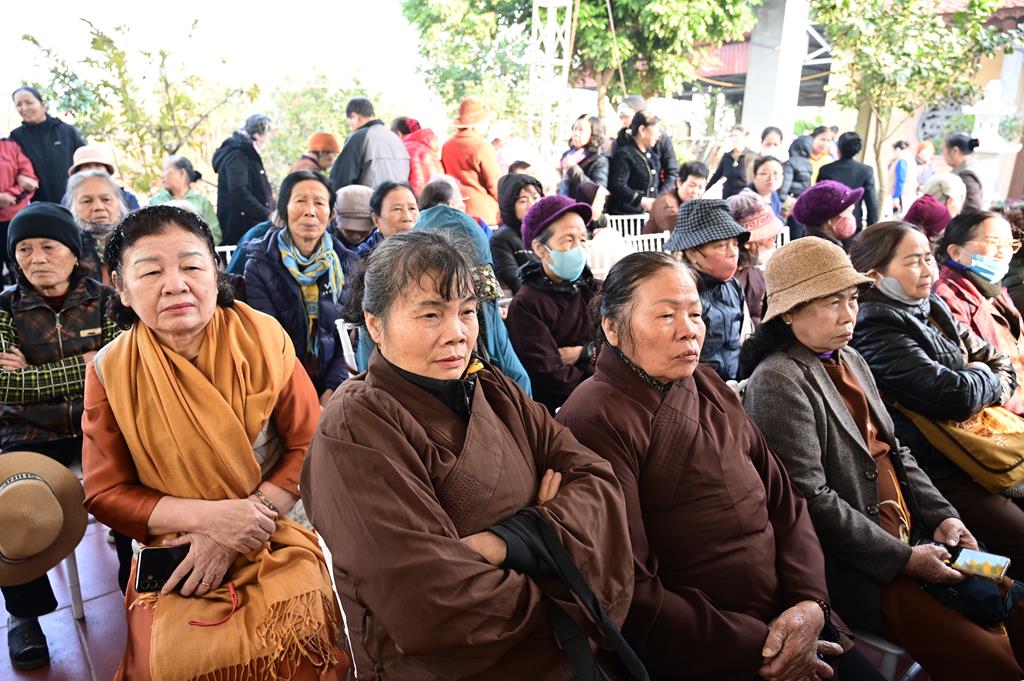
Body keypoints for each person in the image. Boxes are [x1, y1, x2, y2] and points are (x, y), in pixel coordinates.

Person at [302, 229, 633, 679]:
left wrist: (508, 541)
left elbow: (597, 484)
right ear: (375, 325)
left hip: (558, 652)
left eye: (467, 312)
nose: (457, 334)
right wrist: (560, 575)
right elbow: (427, 600)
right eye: (431, 315)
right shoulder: (354, 427)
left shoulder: (492, 388)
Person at [557, 251, 882, 681]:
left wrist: (809, 603)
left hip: (792, 618)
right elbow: (627, 582)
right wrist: (760, 645)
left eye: (695, 313)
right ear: (613, 329)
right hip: (711, 646)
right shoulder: (593, 415)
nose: (689, 329)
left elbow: (785, 501)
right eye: (666, 315)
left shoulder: (706, 383)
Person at [82, 204, 346, 680]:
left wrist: (248, 521)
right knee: (175, 658)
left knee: (300, 632)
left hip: (277, 522)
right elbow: (105, 493)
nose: (175, 284)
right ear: (119, 287)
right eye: (150, 272)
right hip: (176, 539)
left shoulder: (263, 338)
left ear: (215, 272)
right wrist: (214, 521)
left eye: (191, 266)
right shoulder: (110, 370)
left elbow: (311, 445)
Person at [742, 236, 1024, 681]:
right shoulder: (778, 379)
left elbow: (897, 450)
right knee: (987, 658)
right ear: (790, 312)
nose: (849, 314)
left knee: (1006, 593)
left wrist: (944, 516)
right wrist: (903, 558)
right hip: (862, 564)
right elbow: (812, 499)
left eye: (851, 300)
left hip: (914, 530)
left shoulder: (851, 358)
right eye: (832, 303)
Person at [848, 221, 1024, 575]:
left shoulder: (930, 304)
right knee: (1013, 544)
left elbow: (1000, 361)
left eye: (929, 258)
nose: (929, 270)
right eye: (914, 261)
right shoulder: (875, 327)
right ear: (875, 275)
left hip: (977, 451)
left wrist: (981, 376)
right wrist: (983, 376)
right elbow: (953, 396)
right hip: (939, 469)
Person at [0, 203, 119, 671]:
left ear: (73, 253)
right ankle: (24, 615)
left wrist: (37, 373)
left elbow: (118, 368)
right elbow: (3, 385)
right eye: (24, 249)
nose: (36, 258)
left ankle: (140, 584)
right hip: (29, 431)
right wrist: (88, 364)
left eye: (48, 246)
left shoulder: (106, 299)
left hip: (101, 423)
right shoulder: (4, 307)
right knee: (10, 505)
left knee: (141, 479)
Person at [243, 170, 354, 404]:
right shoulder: (260, 264)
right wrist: (306, 402)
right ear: (283, 209)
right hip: (281, 384)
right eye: (300, 201)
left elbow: (346, 338)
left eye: (319, 203)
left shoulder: (346, 264)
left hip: (333, 384)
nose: (310, 211)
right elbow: (268, 341)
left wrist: (332, 390)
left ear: (331, 213)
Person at [413, 205, 531, 393]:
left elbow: (515, 375)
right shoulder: (398, 313)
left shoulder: (486, 304)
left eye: (468, 309)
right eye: (433, 314)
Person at [506, 196, 599, 413]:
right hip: (564, 410)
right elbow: (550, 376)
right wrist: (601, 379)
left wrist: (584, 353)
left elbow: (623, 347)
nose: (579, 248)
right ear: (540, 249)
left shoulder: (597, 289)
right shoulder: (526, 306)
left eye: (583, 239)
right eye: (568, 240)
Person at [933, 211, 1024, 415]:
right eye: (993, 242)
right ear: (956, 252)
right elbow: (968, 371)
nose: (1003, 252)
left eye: (1010, 245)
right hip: (999, 411)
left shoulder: (995, 291)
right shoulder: (946, 296)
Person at [664, 199, 750, 380]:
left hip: (734, 385)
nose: (733, 252)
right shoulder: (678, 292)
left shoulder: (733, 286)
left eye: (734, 244)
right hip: (696, 388)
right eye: (721, 246)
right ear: (693, 253)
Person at [9, 86, 85, 205]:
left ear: (43, 104)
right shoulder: (15, 137)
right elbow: (9, 169)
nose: (24, 108)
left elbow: (85, 164)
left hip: (73, 203)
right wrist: (19, 177)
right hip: (37, 207)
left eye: (29, 102)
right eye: (19, 104)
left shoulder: (67, 132)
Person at [212, 113, 275, 245]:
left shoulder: (246, 151)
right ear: (259, 134)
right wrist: (266, 214)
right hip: (240, 229)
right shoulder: (237, 153)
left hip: (249, 228)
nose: (268, 139)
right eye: (267, 134)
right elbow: (238, 190)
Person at [727, 190, 785, 329]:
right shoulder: (730, 278)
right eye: (769, 238)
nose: (773, 244)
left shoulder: (755, 270)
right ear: (747, 242)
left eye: (774, 237)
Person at [441, 98, 501, 225]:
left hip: (455, 211)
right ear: (477, 123)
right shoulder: (482, 146)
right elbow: (495, 185)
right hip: (484, 215)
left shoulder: (447, 146)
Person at [330, 97, 410, 191]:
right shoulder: (396, 139)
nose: (351, 127)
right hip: (396, 202)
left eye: (350, 123)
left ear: (355, 117)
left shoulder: (359, 137)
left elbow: (340, 180)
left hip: (368, 203)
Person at [66, 170, 127, 283]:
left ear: (119, 203)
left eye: (106, 199)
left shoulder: (135, 241)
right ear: (73, 206)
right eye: (87, 201)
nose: (98, 207)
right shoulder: (67, 248)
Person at [150, 155, 221, 244]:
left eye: (166, 171)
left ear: (182, 173)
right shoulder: (156, 202)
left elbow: (216, 235)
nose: (162, 176)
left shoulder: (202, 202)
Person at [613, 95, 679, 192]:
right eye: (620, 117)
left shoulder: (661, 138)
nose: (623, 121)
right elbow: (618, 181)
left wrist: (659, 200)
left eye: (626, 116)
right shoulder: (622, 139)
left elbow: (672, 172)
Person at [817, 131, 880, 231]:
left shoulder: (825, 170)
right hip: (852, 224)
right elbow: (871, 202)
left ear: (838, 148)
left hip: (828, 224)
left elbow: (818, 200)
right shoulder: (866, 171)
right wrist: (872, 227)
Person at [491, 173, 543, 293]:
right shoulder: (501, 239)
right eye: (523, 201)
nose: (532, 206)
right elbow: (514, 279)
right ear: (509, 205)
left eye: (535, 198)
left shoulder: (549, 231)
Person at [606, 111, 660, 215]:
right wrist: (641, 200)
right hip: (627, 218)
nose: (659, 134)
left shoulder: (651, 155)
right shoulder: (624, 154)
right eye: (656, 129)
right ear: (642, 130)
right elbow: (617, 185)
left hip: (646, 217)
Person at [0, 136, 37, 281]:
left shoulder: (10, 146)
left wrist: (9, 195)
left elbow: (29, 180)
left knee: (19, 268)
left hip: (13, 220)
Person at [66, 144, 140, 211]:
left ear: (106, 170)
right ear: (78, 173)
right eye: (87, 166)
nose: (93, 169)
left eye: (98, 165)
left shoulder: (127, 197)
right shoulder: (68, 199)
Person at [642, 161, 708, 234]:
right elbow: (683, 230)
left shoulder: (691, 204)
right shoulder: (666, 202)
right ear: (679, 182)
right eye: (692, 185)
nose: (695, 191)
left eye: (700, 187)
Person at [792, 180, 863, 248]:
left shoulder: (813, 244)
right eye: (849, 212)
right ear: (830, 221)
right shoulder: (826, 253)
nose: (851, 218)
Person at [391, 117, 442, 196]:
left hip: (419, 198)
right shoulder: (428, 146)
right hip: (436, 194)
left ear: (399, 133)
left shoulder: (407, 148)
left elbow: (415, 181)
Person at [560, 114, 609, 193]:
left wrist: (573, 170)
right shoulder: (567, 155)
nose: (576, 133)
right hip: (563, 204)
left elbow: (599, 193)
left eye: (581, 130)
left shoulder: (599, 160)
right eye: (574, 129)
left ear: (593, 134)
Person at [707, 125, 756, 199]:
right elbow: (717, 176)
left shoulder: (752, 156)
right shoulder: (727, 156)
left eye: (736, 136)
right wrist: (704, 189)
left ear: (744, 137)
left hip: (744, 198)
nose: (733, 139)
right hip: (728, 197)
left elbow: (755, 179)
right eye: (732, 136)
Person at [943, 132, 983, 212]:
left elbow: (973, 207)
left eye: (944, 150)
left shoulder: (967, 175)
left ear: (955, 151)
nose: (943, 155)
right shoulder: (968, 168)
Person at [332, 184, 376, 250]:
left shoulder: (379, 238)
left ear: (376, 220)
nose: (356, 237)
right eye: (349, 231)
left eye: (363, 231)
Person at [888, 140, 917, 217]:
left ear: (898, 149)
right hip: (908, 195)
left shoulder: (902, 160)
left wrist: (896, 197)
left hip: (901, 196)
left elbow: (900, 179)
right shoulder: (911, 159)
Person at [781, 134, 814, 200]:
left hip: (791, 196)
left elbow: (786, 182)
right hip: (802, 197)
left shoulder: (789, 163)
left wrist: (781, 198)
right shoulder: (809, 164)